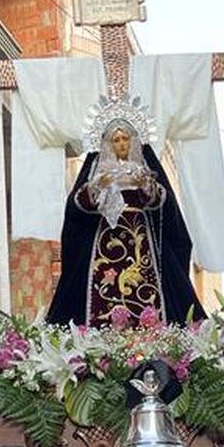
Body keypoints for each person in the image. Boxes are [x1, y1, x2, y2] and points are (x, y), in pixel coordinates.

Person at [45, 102, 206, 327]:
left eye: (125, 139)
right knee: (103, 289)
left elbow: (164, 204)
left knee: (147, 289)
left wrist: (147, 188)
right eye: (116, 140)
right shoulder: (98, 173)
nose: (121, 144)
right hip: (106, 242)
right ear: (108, 143)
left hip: (142, 242)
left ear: (133, 141)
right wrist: (96, 189)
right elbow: (76, 207)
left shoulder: (143, 170)